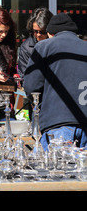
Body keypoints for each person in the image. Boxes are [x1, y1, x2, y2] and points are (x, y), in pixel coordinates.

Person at [23, 13, 87, 150]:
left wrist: (42, 105)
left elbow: (31, 87)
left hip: (58, 125)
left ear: (50, 33)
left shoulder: (44, 47)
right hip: (84, 122)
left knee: (56, 170)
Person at [18, 7, 53, 78]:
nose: (38, 35)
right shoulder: (26, 47)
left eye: (42, 32)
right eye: (35, 31)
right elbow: (24, 76)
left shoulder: (56, 44)